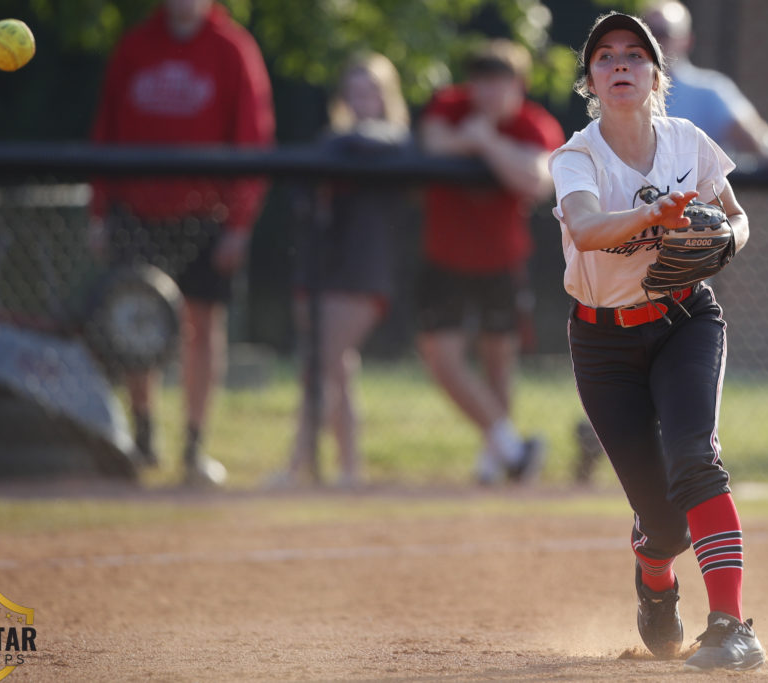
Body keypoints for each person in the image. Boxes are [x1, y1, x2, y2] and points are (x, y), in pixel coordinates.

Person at [548, 12, 765, 671]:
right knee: (663, 520)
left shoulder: (687, 142)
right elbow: (585, 230)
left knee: (696, 460)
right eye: (605, 56)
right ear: (590, 79)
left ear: (655, 74)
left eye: (634, 55)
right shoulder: (577, 155)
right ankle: (655, 574)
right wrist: (653, 214)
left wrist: (729, 239)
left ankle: (730, 624)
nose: (619, 64)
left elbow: (736, 216)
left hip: (684, 320)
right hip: (604, 343)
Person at [89, 0, 275, 487]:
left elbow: (254, 137)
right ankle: (143, 435)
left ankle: (194, 445)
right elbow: (105, 131)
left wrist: (239, 223)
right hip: (138, 210)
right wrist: (98, 211)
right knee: (134, 324)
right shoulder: (134, 46)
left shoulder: (232, 48)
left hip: (206, 215)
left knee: (203, 324)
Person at [417, 39, 565, 485]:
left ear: (519, 86)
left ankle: (494, 460)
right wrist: (478, 141)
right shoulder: (448, 105)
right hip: (443, 257)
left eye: (500, 84)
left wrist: (486, 142)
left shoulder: (536, 124)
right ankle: (511, 448)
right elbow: (434, 143)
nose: (489, 94)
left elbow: (536, 181)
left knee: (499, 359)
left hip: (501, 261)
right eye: (481, 83)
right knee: (441, 358)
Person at [276, 52, 412, 488]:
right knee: (337, 369)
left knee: (319, 364)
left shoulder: (391, 142)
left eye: (370, 91)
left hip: (362, 271)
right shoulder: (332, 143)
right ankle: (349, 469)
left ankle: (298, 465)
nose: (361, 100)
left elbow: (387, 141)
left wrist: (338, 143)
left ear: (386, 96)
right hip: (321, 268)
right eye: (353, 92)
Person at [642, 0, 768, 197]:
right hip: (633, 217)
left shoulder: (709, 91)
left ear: (686, 40)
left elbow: (753, 137)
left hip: (691, 216)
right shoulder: (620, 89)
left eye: (663, 32)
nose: (654, 40)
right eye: (647, 31)